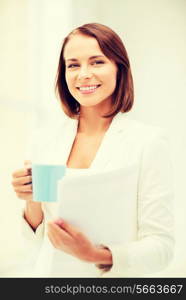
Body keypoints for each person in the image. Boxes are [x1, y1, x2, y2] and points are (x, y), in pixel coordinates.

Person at [11, 23, 174, 277]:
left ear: (119, 68)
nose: (83, 74)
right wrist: (31, 199)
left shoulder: (147, 142)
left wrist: (95, 255)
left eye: (97, 62)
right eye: (73, 65)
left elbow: (161, 249)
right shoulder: (45, 140)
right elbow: (35, 243)